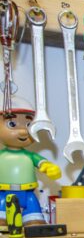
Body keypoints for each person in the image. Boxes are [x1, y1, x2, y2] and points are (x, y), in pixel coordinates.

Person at [0, 96, 61, 226]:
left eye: (28, 125)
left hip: (28, 195)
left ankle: (32, 220)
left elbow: (42, 163)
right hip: (4, 195)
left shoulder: (30, 156)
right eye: (12, 124)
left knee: (35, 222)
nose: (23, 131)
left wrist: (49, 167)